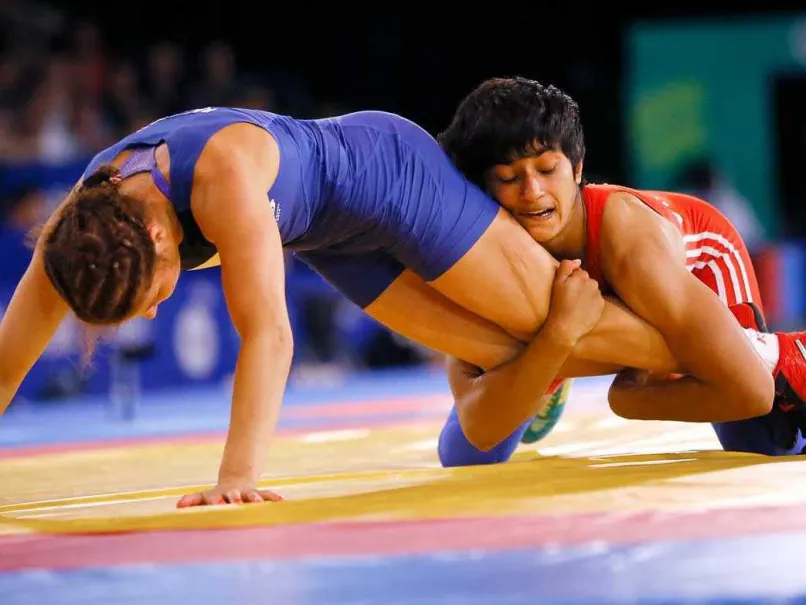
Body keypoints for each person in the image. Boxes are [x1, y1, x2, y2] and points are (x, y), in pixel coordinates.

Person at [0, 106, 779, 508]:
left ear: (162, 239)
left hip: (388, 173)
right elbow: (6, 363)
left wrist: (235, 475)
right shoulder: (77, 236)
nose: (145, 317)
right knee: (517, 348)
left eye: (148, 298)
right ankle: (604, 369)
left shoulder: (226, 179)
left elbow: (268, 334)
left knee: (553, 316)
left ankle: (765, 359)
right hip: (326, 234)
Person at [435, 76, 806, 467]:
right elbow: (469, 437)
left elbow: (750, 391)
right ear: (486, 191)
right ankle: (558, 367)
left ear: (577, 168)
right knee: (467, 455)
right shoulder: (486, 255)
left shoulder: (628, 241)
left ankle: (787, 351)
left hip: (701, 267)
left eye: (547, 170)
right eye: (509, 178)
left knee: (764, 440)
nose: (532, 192)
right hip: (603, 297)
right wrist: (555, 342)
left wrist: (630, 400)